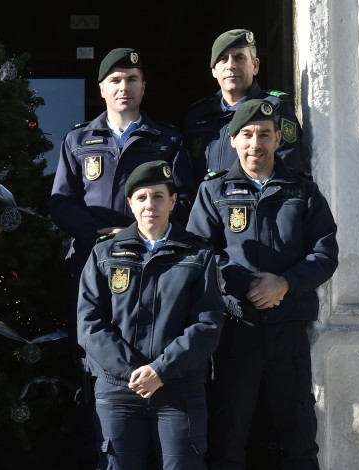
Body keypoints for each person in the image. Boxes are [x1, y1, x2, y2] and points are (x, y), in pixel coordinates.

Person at [49, 47, 196, 467]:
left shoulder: (166, 139)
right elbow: (61, 203)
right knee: (98, 371)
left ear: (144, 86)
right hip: (96, 268)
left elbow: (185, 200)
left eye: (131, 79)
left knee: (157, 358)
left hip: (156, 271)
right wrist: (103, 239)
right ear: (101, 89)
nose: (124, 87)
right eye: (115, 80)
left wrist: (134, 232)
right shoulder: (78, 140)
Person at [186, 99, 338, 469]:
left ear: (277, 140)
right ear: (234, 140)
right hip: (237, 330)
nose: (257, 143)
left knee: (297, 436)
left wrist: (284, 284)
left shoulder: (303, 191)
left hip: (288, 329)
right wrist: (245, 285)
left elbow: (324, 253)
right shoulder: (214, 192)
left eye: (265, 135)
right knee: (229, 435)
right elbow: (200, 253)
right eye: (248, 135)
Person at [76, 160, 224, 469]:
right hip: (118, 391)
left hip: (178, 389)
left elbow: (207, 324)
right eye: (141, 197)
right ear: (130, 203)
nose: (150, 205)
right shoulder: (105, 253)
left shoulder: (198, 254)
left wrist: (161, 370)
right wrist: (133, 371)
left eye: (158, 196)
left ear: (173, 201)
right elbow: (89, 323)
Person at [183, 28, 304, 183]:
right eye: (223, 59)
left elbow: (286, 172)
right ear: (214, 70)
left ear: (255, 66)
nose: (231, 65)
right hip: (205, 205)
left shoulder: (274, 108)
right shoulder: (197, 115)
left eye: (239, 58)